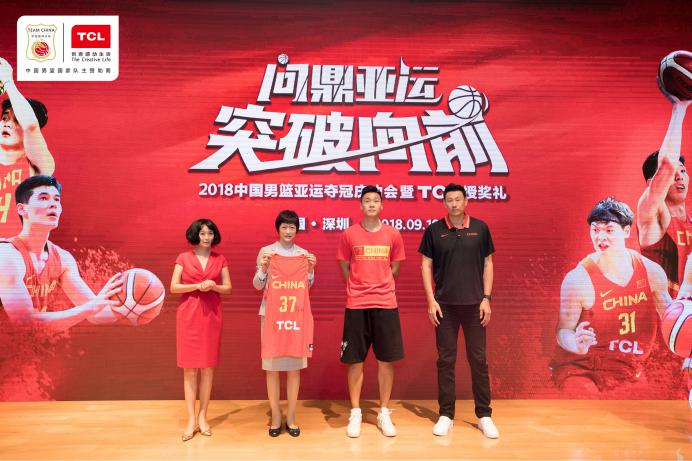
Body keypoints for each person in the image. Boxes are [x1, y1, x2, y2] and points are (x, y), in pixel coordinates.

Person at [551, 198, 671, 395]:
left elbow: (672, 322)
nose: (601, 237)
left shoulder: (651, 272)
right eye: (595, 230)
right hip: (582, 369)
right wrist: (576, 344)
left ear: (626, 231)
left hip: (628, 371)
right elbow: (563, 330)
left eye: (609, 230)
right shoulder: (578, 280)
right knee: (586, 398)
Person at [419, 183, 498, 438]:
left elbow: (488, 263)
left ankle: (484, 415)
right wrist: (431, 300)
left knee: (478, 360)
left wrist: (486, 298)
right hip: (445, 307)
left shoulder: (480, 228)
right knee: (446, 361)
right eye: (449, 200)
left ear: (465, 202)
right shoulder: (434, 231)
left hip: (475, 305)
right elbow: (425, 265)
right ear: (444, 203)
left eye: (458, 199)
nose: (454, 204)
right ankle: (446, 415)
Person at [0, 175, 123, 331]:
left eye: (57, 199)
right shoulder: (7, 256)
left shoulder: (63, 259)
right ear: (22, 209)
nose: (53, 204)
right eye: (43, 198)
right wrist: (91, 307)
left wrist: (134, 306)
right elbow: (24, 322)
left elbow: (97, 315)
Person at [337, 185, 405, 438]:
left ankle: (384, 411)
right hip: (357, 303)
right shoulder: (349, 234)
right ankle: (355, 411)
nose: (372, 204)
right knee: (355, 361)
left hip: (386, 303)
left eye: (376, 200)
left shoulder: (393, 234)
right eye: (367, 201)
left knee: (386, 360)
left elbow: (395, 268)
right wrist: (358, 285)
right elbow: (344, 265)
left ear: (382, 205)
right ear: (361, 205)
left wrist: (380, 283)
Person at [636, 89, 691, 401]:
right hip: (671, 328)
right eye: (673, 174)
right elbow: (667, 165)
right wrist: (680, 107)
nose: (679, 176)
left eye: (684, 171)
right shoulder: (652, 215)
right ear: (653, 185)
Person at [253, 210, 316, 437]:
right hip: (271, 316)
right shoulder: (267, 252)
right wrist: (263, 269)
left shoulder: (304, 254)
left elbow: (306, 286)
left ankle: (291, 416)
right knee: (271, 369)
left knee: (294, 369)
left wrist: (310, 270)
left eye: (292, 228)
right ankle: (276, 417)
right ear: (278, 229)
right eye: (284, 227)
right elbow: (257, 285)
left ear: (297, 230)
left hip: (295, 316)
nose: (288, 231)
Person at [170, 218, 231, 442]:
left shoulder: (220, 259)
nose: (206, 237)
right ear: (195, 235)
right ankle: (190, 420)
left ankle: (203, 417)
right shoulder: (183, 258)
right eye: (203, 233)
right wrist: (197, 286)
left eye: (210, 233)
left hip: (211, 316)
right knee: (189, 369)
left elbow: (228, 288)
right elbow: (173, 286)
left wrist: (214, 286)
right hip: (188, 315)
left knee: (207, 369)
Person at [0, 57, 55, 237]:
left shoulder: (37, 166)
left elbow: (30, 125)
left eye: (17, 120)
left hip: (14, 251)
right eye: (5, 117)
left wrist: (7, 81)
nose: (7, 123)